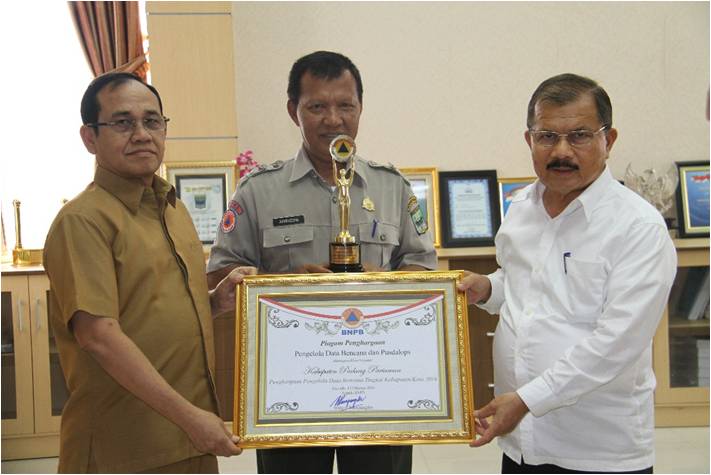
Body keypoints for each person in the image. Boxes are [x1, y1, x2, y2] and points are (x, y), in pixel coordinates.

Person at [207, 51, 436, 473]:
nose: (333, 119)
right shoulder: (258, 191)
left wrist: (384, 285)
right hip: (291, 383)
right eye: (317, 106)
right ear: (293, 110)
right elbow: (222, 271)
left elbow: (423, 267)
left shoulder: (392, 187)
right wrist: (282, 285)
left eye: (345, 105)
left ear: (360, 107)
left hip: (378, 380)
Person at [458, 73, 676, 473]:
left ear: (608, 140)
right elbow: (526, 285)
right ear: (529, 140)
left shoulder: (638, 227)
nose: (561, 151)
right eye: (547, 137)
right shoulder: (521, 208)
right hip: (522, 444)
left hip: (597, 450)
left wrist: (527, 400)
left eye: (579, 136)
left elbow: (618, 342)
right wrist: (488, 288)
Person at [43, 72, 255, 473]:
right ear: (90, 138)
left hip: (189, 443)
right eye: (123, 122)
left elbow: (147, 311)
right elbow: (99, 337)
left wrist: (213, 303)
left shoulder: (173, 209)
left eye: (152, 121)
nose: (141, 134)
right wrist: (191, 419)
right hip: (124, 449)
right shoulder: (83, 221)